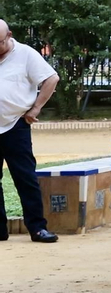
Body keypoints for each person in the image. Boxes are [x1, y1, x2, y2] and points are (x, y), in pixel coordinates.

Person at [0, 20, 61, 243]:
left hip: (15, 125)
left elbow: (51, 78)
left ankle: (37, 228)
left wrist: (36, 108)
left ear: (9, 35)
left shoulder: (25, 54)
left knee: (25, 177)